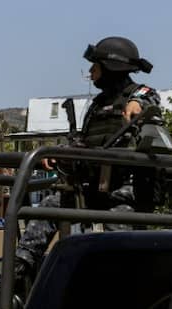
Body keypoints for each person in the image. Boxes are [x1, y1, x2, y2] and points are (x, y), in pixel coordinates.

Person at [14, 36, 162, 286]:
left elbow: (148, 97)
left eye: (96, 67)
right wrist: (59, 154)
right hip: (92, 189)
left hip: (124, 195)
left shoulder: (138, 95)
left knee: (122, 256)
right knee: (50, 206)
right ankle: (20, 267)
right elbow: (82, 143)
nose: (91, 74)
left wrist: (136, 104)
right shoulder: (97, 105)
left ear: (112, 68)